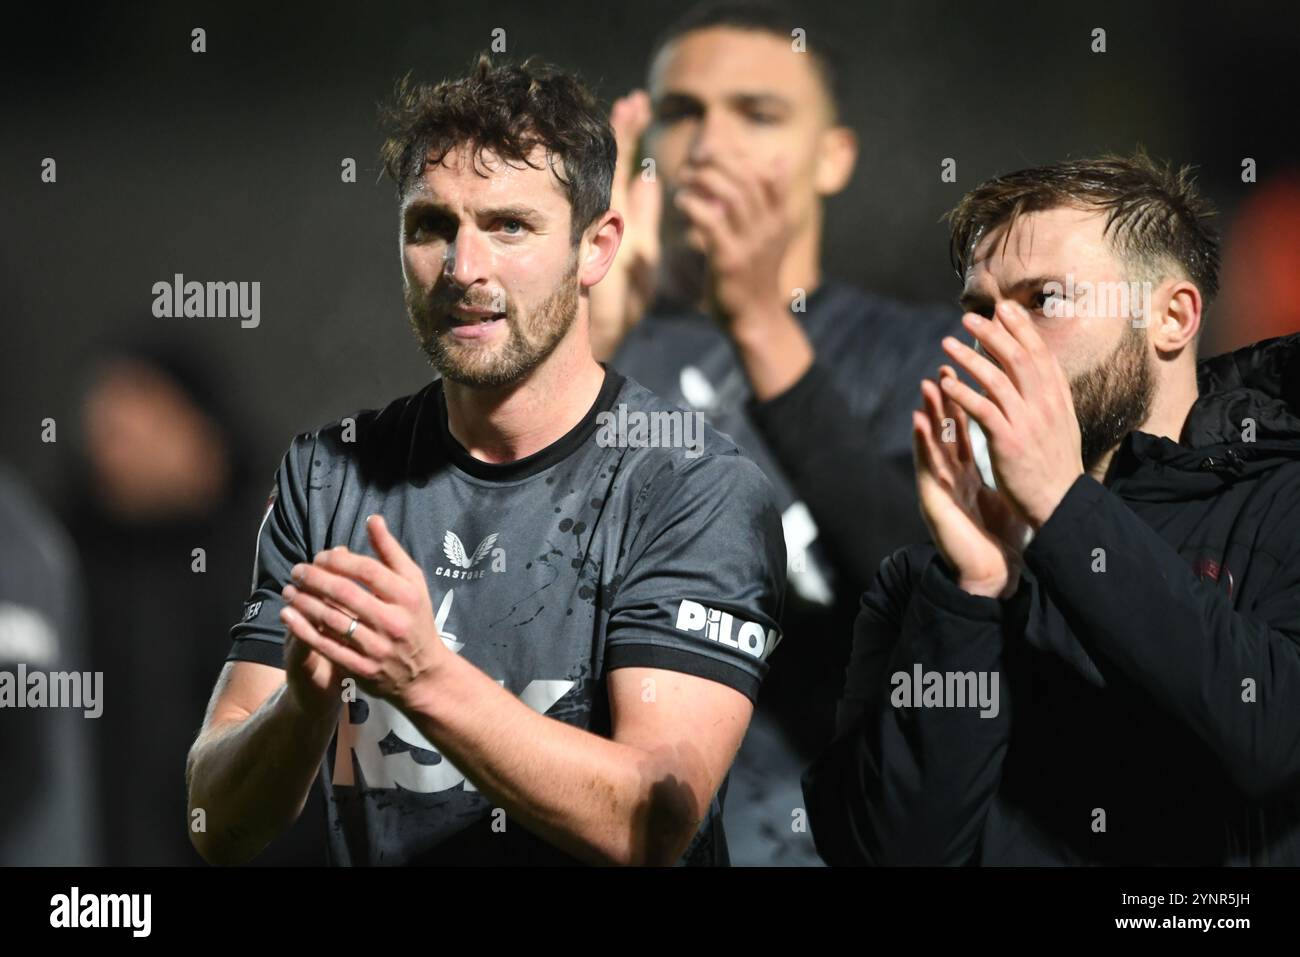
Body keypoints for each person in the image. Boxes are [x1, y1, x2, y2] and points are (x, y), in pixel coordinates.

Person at [186, 54, 787, 867]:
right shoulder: (330, 474)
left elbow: (653, 821)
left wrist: (426, 677)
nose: (465, 269)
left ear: (597, 248)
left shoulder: (689, 485)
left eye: (509, 225)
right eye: (431, 226)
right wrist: (301, 705)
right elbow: (213, 826)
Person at [803, 151, 1300, 865]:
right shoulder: (927, 578)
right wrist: (973, 590)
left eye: (1046, 301)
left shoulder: (1281, 504)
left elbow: (1270, 741)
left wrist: (1064, 508)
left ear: (1170, 316)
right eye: (980, 310)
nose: (997, 340)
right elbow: (889, 853)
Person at [593, 0, 959, 863]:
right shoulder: (579, 353)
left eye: (757, 113)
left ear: (832, 158)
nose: (711, 143)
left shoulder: (918, 349)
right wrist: (577, 344)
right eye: (683, 113)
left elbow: (933, 598)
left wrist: (760, 320)